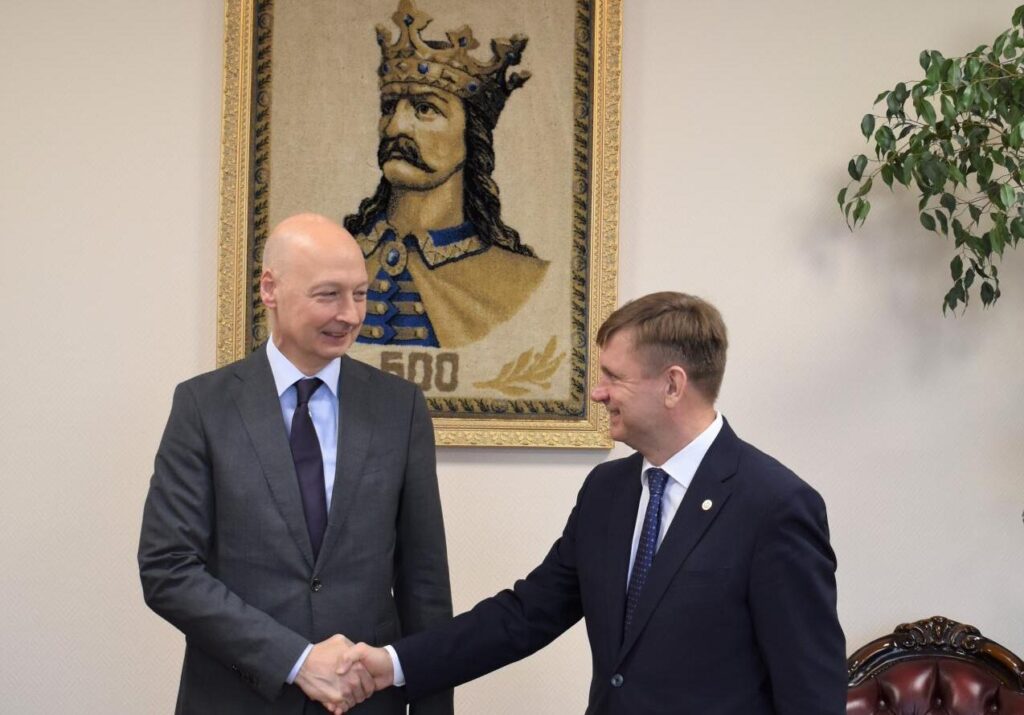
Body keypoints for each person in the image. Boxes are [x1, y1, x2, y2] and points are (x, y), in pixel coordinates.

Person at [337, 292, 847, 714]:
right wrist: (394, 663)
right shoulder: (608, 491)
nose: (598, 394)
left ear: (673, 385)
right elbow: (525, 615)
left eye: (614, 377)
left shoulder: (774, 506)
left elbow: (810, 690)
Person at [138, 213, 454, 714]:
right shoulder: (203, 406)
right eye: (328, 295)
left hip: (367, 704)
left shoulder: (401, 407)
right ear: (270, 289)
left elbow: (425, 583)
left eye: (360, 294)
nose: (350, 315)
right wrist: (296, 660)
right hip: (235, 700)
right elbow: (168, 569)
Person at [344, 0, 548, 348]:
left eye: (425, 108)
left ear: (472, 137)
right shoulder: (335, 262)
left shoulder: (523, 279)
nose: (395, 127)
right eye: (389, 107)